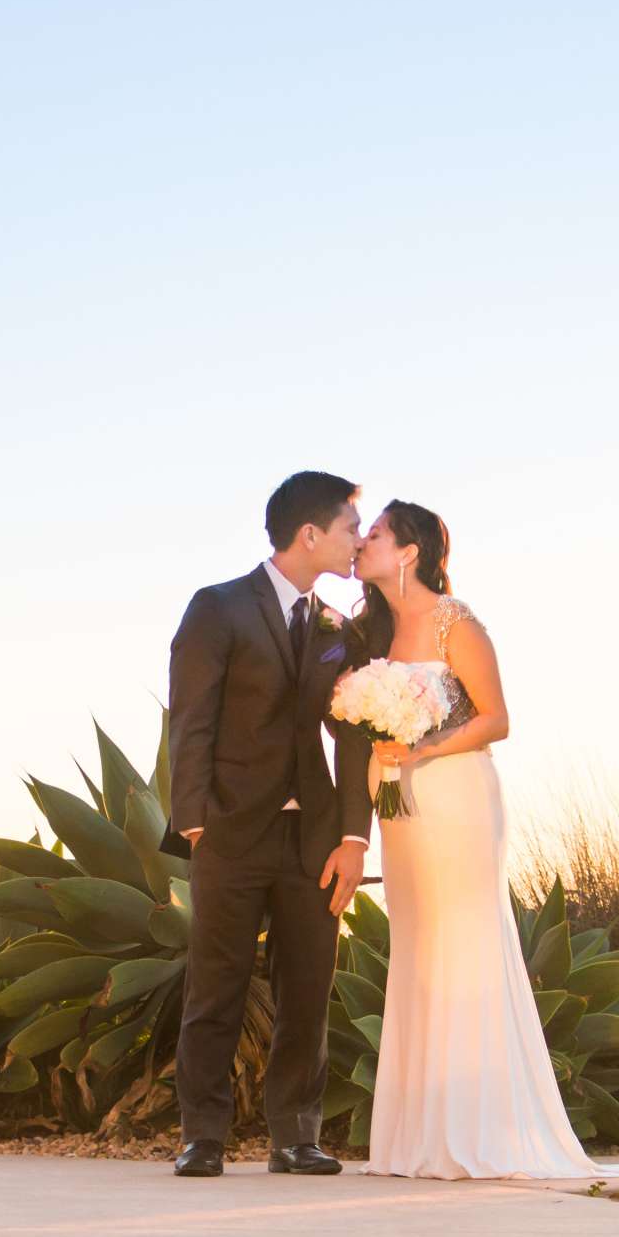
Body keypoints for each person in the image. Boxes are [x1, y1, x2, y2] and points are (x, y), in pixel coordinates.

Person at [353, 500, 619, 1181]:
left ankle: (476, 1131)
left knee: (462, 941)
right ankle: (416, 1138)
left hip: (455, 793)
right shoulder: (369, 629)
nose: (360, 543)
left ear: (408, 551)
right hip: (397, 802)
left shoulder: (456, 622)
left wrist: (423, 745)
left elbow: (497, 718)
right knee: (418, 945)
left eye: (372, 534)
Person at [167, 472, 373, 1178]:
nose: (358, 540)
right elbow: (191, 718)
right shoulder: (217, 607)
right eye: (351, 527)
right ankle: (203, 1135)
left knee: (308, 988)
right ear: (310, 534)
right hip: (229, 831)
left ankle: (295, 1137)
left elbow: (353, 740)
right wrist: (193, 821)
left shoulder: (337, 629)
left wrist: (354, 837)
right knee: (215, 984)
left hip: (311, 837)